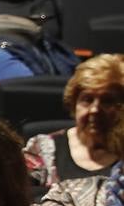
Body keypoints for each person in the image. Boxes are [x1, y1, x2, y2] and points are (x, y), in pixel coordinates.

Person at [24, 54, 124, 189]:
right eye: (87, 99)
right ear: (74, 103)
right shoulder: (41, 149)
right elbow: (18, 196)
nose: (95, 110)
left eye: (107, 101)